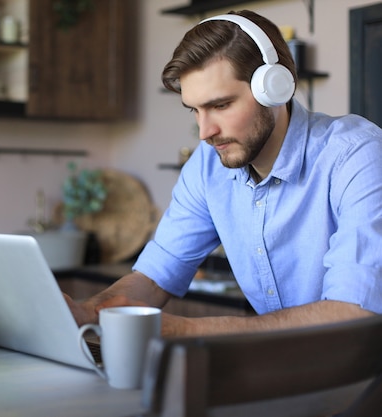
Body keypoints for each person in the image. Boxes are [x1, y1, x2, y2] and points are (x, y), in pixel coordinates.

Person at [65, 9, 382, 337]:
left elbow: (354, 312)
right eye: (195, 110)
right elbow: (154, 276)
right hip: (286, 371)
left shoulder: (357, 155)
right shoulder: (207, 165)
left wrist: (186, 330)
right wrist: (89, 310)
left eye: (220, 105)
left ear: (275, 88)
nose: (205, 131)